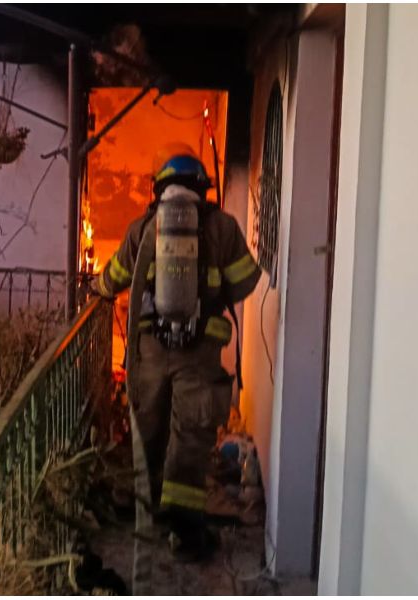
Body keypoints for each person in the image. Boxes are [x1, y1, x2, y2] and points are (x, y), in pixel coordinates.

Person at [93, 143, 261, 561]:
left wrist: (94, 286)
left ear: (159, 187)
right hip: (200, 353)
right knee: (190, 437)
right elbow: (245, 284)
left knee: (146, 429)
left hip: (149, 352)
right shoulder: (223, 226)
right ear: (202, 188)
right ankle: (186, 532)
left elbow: (113, 279)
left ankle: (140, 514)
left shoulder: (142, 228)